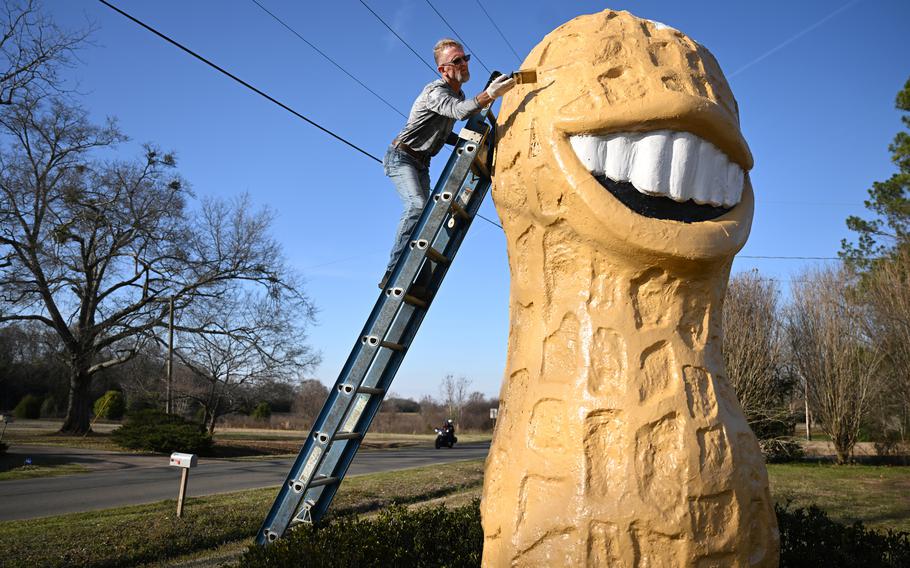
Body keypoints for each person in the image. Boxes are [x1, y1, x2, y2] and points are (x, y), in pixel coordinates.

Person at [380, 38, 515, 289]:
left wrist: (471, 140)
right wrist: (490, 94)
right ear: (443, 70)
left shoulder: (458, 94)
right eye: (456, 61)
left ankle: (412, 272)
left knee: (427, 215)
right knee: (417, 206)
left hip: (422, 161)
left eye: (465, 58)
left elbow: (443, 132)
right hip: (402, 157)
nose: (464, 64)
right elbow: (460, 112)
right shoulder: (436, 93)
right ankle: (393, 271)